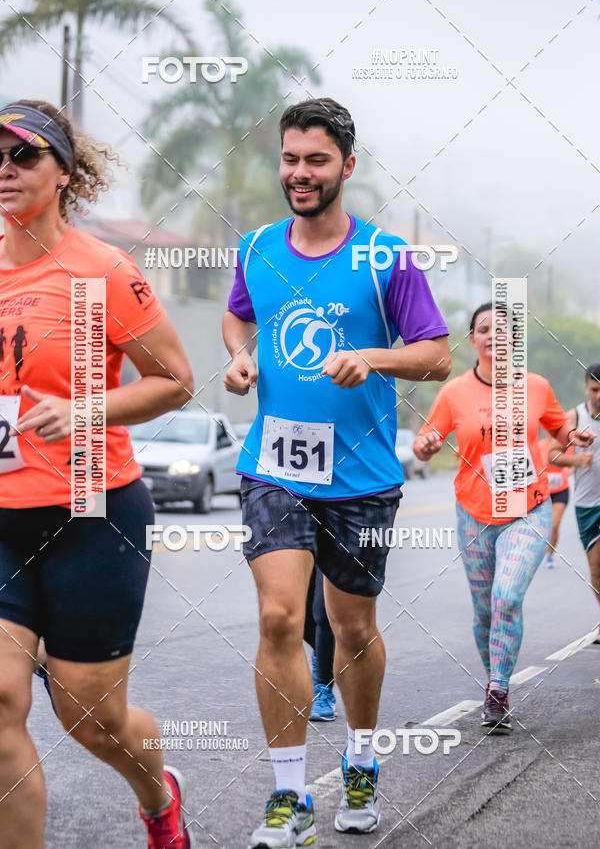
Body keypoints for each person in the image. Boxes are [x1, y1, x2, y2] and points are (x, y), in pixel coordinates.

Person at [223, 97, 451, 846]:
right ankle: (288, 796)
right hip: (273, 469)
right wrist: (241, 353)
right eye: (290, 158)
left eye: (316, 160)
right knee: (279, 617)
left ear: (346, 167)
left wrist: (372, 357)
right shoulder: (257, 247)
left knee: (350, 628)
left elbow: (437, 354)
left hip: (360, 477)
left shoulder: (386, 257)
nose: (300, 172)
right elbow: (238, 313)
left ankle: (360, 758)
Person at [0, 100, 196, 849]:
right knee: (0, 701)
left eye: (24, 155)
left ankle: (156, 792)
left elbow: (174, 380)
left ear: (64, 174)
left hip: (93, 512)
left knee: (90, 715)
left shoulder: (100, 270)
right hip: (2, 520)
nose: (6, 169)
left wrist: (86, 409)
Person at [413, 301, 594, 731]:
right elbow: (430, 433)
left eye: (504, 329)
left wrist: (576, 435)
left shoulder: (535, 386)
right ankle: (495, 676)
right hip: (474, 512)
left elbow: (558, 428)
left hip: (528, 507)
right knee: (483, 612)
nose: (494, 335)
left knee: (506, 597)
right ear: (473, 340)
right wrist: (425, 445)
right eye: (484, 328)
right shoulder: (455, 392)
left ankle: (498, 690)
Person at [548, 364, 600, 643]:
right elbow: (552, 455)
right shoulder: (574, 417)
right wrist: (577, 459)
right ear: (586, 387)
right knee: (596, 566)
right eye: (595, 389)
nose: (599, 395)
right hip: (586, 504)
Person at [304, 566, 337, 721]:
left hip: (335, 543)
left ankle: (323, 687)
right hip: (299, 542)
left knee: (324, 613)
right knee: (299, 615)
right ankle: (323, 654)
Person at [537, 433, 573, 568]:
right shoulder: (541, 445)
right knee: (541, 525)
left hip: (561, 490)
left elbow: (571, 464)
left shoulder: (566, 446)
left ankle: (550, 555)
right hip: (543, 491)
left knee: (555, 524)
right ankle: (538, 549)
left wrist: (569, 470)